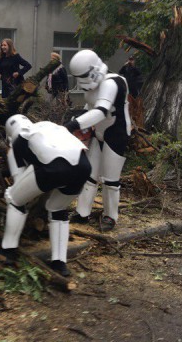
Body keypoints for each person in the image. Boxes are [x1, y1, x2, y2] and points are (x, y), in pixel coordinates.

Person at [0, 115, 91, 277]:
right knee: (57, 209)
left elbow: (19, 181)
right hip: (83, 167)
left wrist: (15, 191)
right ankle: (60, 263)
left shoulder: (19, 140)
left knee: (14, 198)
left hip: (54, 168)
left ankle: (8, 251)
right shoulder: (50, 126)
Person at [63, 49, 131, 232]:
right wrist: (79, 121)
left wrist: (73, 125)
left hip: (115, 133)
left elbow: (101, 110)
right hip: (98, 131)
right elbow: (90, 107)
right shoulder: (96, 85)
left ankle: (110, 216)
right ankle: (82, 212)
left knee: (110, 180)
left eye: (84, 75)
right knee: (90, 175)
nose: (82, 80)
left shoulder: (112, 82)